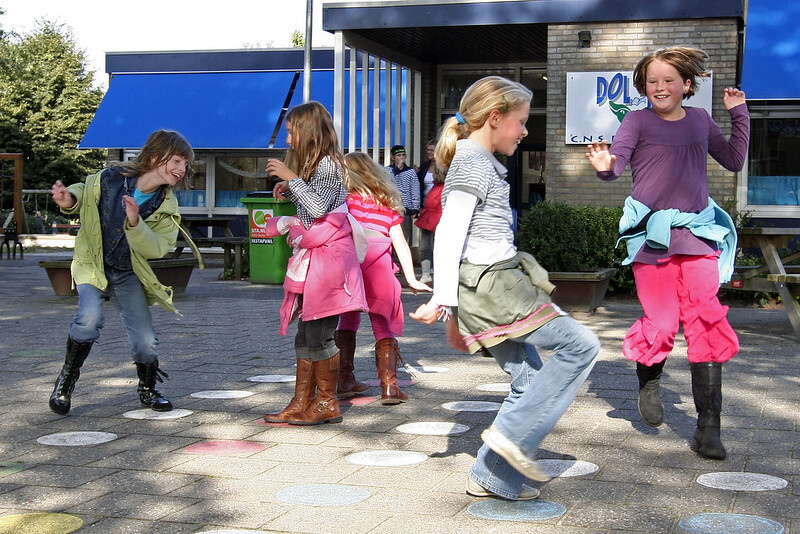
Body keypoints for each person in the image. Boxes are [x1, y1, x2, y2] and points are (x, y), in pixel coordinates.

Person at [410, 76, 600, 500]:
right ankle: (512, 435)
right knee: (582, 345)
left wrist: (455, 309)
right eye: (521, 121)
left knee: (529, 378)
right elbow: (449, 232)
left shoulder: (477, 159)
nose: (525, 131)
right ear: (494, 118)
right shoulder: (473, 162)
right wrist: (444, 299)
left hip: (487, 284)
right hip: (495, 285)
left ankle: (492, 476)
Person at [585, 46, 749, 460]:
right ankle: (649, 375)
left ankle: (708, 428)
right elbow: (616, 165)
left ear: (686, 85)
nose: (660, 87)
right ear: (644, 86)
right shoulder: (637, 121)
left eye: (668, 80)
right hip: (652, 237)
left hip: (697, 234)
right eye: (652, 81)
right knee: (661, 322)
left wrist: (739, 114)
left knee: (706, 317)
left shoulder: (700, 120)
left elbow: (732, 160)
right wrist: (604, 164)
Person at [48, 129, 195, 415]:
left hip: (128, 271)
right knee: (89, 319)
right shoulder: (111, 178)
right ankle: (65, 383)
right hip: (92, 263)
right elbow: (84, 189)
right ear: (155, 155)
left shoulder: (166, 204)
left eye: (186, 165)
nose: (181, 169)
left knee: (145, 340)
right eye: (177, 161)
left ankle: (148, 389)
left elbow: (157, 248)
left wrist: (136, 222)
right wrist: (69, 200)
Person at [262, 101, 368, 426]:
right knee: (306, 334)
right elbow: (314, 202)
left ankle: (326, 402)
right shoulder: (318, 166)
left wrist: (291, 178)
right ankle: (301, 401)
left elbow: (320, 207)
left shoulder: (327, 164)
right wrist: (291, 187)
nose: (288, 139)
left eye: (292, 132)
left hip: (330, 262)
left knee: (320, 335)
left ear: (307, 131)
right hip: (318, 260)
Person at [337, 152, 431, 404]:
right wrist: (411, 278)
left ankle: (344, 380)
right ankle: (389, 387)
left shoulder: (344, 203)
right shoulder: (385, 205)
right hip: (379, 272)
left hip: (351, 272)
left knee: (347, 320)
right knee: (382, 326)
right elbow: (400, 243)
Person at [415, 163, 445, 285]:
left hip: (438, 219)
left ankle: (438, 275)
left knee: (438, 249)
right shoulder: (435, 186)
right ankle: (426, 274)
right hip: (428, 218)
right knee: (424, 248)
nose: (432, 174)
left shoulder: (444, 188)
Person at [386, 145, 420, 248]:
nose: (401, 158)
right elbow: (387, 184)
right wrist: (397, 169)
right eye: (398, 155)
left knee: (404, 239)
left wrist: (415, 209)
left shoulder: (410, 172)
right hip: (392, 209)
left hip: (405, 209)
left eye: (403, 155)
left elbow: (415, 190)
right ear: (393, 157)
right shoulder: (388, 170)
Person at [416, 139, 438, 283]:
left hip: (440, 210)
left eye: (432, 150)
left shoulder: (445, 167)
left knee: (438, 243)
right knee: (424, 244)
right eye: (428, 150)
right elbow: (417, 185)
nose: (429, 152)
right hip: (426, 209)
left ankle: (437, 273)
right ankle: (425, 274)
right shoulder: (424, 167)